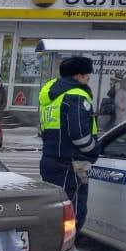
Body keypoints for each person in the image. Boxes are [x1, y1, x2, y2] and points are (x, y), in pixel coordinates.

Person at [39, 55, 99, 232]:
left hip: (51, 162)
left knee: (55, 212)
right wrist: (95, 150)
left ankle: (52, 250)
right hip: (70, 166)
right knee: (72, 217)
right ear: (78, 76)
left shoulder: (51, 96)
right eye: (87, 75)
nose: (88, 79)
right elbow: (79, 136)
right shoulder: (76, 97)